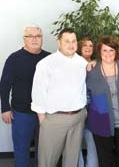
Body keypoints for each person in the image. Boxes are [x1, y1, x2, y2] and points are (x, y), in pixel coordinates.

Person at [31, 28, 88, 167]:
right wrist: (43, 121)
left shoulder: (82, 62)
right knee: (47, 161)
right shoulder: (46, 63)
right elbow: (38, 93)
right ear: (59, 43)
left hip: (78, 118)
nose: (71, 44)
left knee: (71, 161)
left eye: (73, 41)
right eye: (66, 41)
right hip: (54, 120)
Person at [0, 25, 50, 167]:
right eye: (31, 36)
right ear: (24, 39)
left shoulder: (49, 58)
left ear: (42, 39)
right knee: (21, 150)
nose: (35, 39)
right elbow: (4, 85)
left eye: (38, 36)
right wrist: (5, 108)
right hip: (21, 113)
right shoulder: (14, 58)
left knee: (44, 151)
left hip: (45, 113)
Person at [86, 36, 119, 167]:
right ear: (99, 52)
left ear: (116, 51)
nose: (108, 54)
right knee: (105, 160)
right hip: (101, 123)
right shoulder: (91, 71)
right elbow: (85, 95)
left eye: (111, 50)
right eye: (104, 50)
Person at [77, 37, 98, 167]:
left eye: (91, 45)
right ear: (80, 47)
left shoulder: (97, 64)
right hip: (76, 108)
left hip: (93, 108)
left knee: (92, 143)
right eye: (85, 45)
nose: (88, 48)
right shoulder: (73, 63)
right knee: (75, 144)